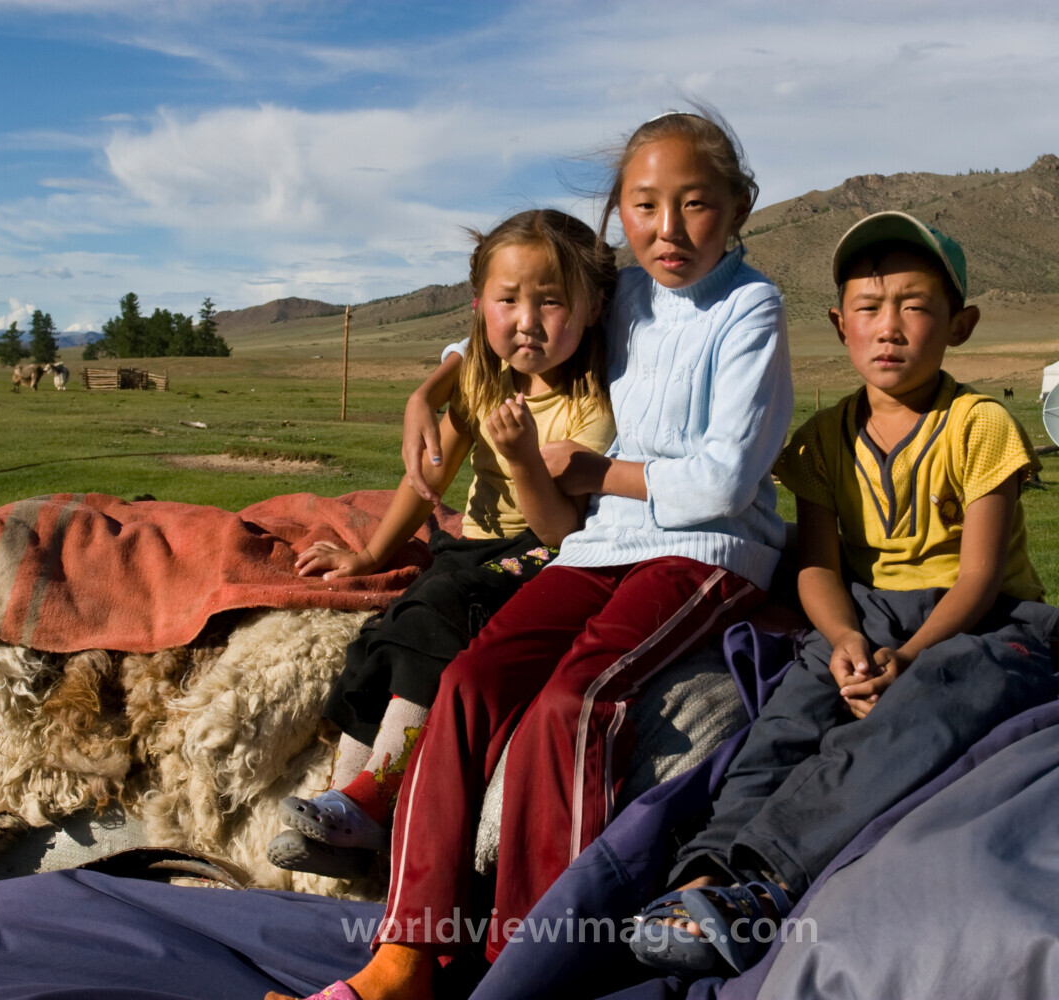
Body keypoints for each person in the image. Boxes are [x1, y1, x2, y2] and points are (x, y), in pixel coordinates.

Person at [300, 109, 794, 1000]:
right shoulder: (629, 292)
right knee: (470, 683)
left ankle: (533, 960)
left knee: (577, 699)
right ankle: (407, 953)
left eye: (695, 205)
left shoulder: (751, 307)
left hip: (705, 551)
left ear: (740, 205)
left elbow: (725, 478)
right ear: (618, 215)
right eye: (644, 207)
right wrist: (432, 384)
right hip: (600, 542)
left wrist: (601, 468)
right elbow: (515, 314)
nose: (669, 230)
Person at [629, 211, 1059, 976]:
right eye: (869, 309)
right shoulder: (824, 439)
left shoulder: (980, 425)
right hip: (865, 612)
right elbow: (818, 567)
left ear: (959, 324)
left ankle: (768, 885)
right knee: (786, 723)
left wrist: (907, 656)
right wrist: (842, 640)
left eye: (915, 306)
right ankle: (702, 878)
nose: (890, 329)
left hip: (980, 621)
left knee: (923, 713)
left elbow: (978, 574)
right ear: (841, 325)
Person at [267, 209, 618, 878]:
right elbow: (429, 477)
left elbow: (560, 532)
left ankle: (373, 802)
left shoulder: (585, 406)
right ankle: (345, 801)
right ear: (480, 305)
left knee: (445, 610)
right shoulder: (484, 380)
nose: (526, 319)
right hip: (473, 549)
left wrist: (521, 458)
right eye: (508, 299)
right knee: (386, 634)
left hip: (537, 553)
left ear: (592, 307)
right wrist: (371, 556)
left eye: (551, 302)